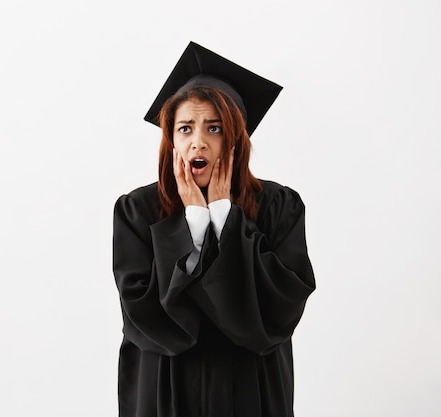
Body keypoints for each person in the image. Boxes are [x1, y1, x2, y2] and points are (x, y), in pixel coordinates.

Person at [112, 41, 316, 417]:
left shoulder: (278, 207)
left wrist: (224, 216)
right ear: (171, 139)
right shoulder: (138, 211)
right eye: (185, 128)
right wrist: (194, 221)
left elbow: (283, 308)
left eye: (214, 127)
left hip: (250, 386)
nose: (198, 142)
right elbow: (142, 315)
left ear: (235, 136)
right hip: (167, 387)